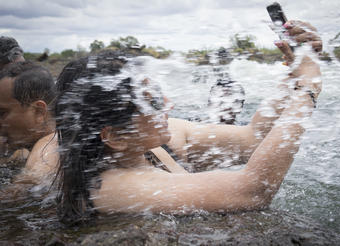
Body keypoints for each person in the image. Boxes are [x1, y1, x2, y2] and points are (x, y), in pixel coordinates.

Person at [54, 20, 322, 224]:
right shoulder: (115, 188)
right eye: (154, 102)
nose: (168, 105)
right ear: (115, 137)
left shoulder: (155, 145)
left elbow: (254, 138)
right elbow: (251, 191)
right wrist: (309, 88)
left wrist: (295, 71)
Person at [0, 61, 58, 199]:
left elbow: (27, 188)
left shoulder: (50, 146)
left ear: (39, 112)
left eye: (2, 113)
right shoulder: (25, 149)